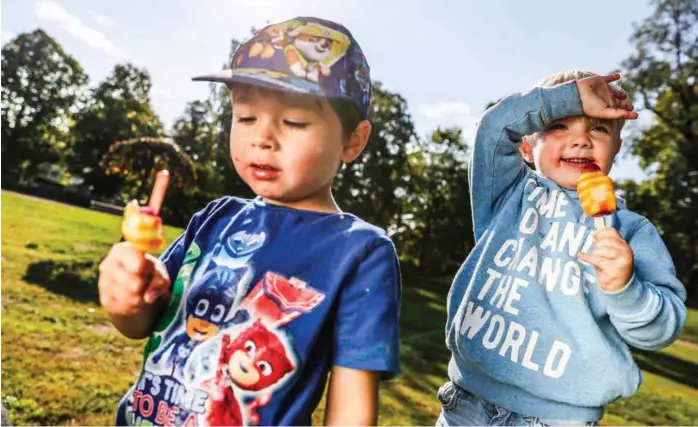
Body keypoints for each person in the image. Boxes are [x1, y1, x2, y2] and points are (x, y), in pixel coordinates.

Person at [98, 16, 401, 426]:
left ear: (352, 141)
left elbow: (351, 408)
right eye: (245, 117)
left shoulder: (361, 252)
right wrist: (125, 298)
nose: (263, 137)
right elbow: (143, 325)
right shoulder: (215, 218)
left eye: (293, 121)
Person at [437, 70, 686, 426]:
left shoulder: (631, 232)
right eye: (560, 125)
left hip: (559, 418)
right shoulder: (508, 195)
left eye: (598, 128)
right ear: (526, 146)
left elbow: (662, 327)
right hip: (467, 403)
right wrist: (567, 96)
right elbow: (494, 127)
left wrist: (625, 289)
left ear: (617, 147)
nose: (581, 140)